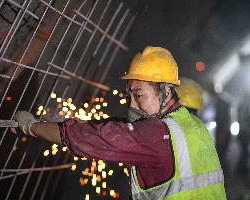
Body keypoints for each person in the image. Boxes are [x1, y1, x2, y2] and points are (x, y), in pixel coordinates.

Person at [15, 46, 226, 199]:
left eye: (139, 95)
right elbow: (126, 129)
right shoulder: (195, 125)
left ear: (167, 91)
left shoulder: (157, 135)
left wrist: (31, 126)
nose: (131, 105)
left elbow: (94, 139)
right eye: (129, 96)